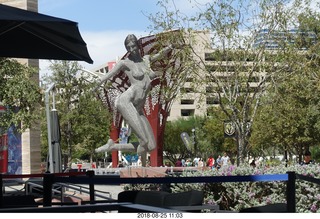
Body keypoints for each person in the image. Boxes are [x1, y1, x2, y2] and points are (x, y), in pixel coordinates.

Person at [94, 34, 176, 156]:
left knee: (151, 146)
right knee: (144, 140)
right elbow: (109, 74)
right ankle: (138, 168)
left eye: (133, 46)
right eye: (128, 48)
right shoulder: (125, 63)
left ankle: (113, 146)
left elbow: (160, 54)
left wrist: (171, 46)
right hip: (126, 102)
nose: (132, 50)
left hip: (139, 109)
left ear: (138, 46)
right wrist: (97, 83)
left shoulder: (147, 59)